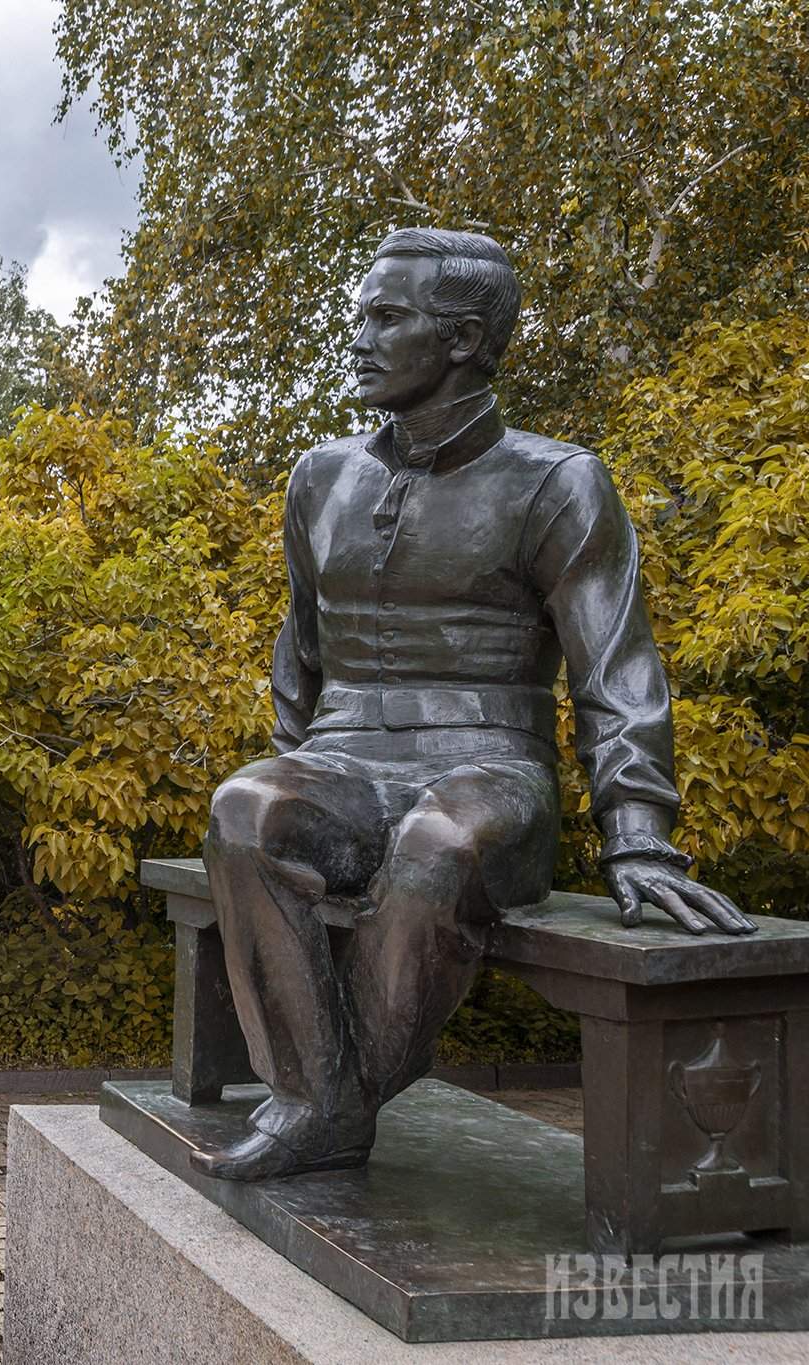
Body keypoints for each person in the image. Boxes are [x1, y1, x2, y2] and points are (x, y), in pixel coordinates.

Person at [194, 228, 755, 1182]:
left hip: (491, 771)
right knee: (246, 807)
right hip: (344, 761)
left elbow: (616, 670)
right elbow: (302, 653)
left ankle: (330, 1103)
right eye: (360, 315)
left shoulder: (557, 482)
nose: (359, 338)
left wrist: (639, 834)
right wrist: (292, 772)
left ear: (460, 339)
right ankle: (319, 1105)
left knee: (438, 841)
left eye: (386, 318)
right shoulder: (321, 477)